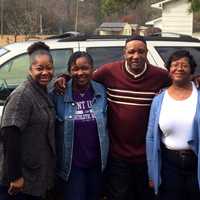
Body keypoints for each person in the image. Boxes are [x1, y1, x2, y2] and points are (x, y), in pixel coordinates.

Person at [54, 35, 170, 200]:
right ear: (124, 53)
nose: (135, 56)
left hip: (147, 156)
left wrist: (196, 78)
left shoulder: (160, 76)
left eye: (141, 52)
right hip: (117, 156)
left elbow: (181, 79)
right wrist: (64, 77)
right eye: (131, 52)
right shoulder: (109, 72)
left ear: (147, 53)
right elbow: (82, 76)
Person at [0, 42, 56, 200]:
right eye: (39, 68)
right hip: (21, 182)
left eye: (49, 68)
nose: (45, 72)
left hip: (35, 175)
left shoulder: (42, 91)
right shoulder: (23, 95)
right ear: (30, 69)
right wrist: (15, 176)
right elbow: (9, 135)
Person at [51, 51, 109, 200]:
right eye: (75, 69)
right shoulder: (59, 93)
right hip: (72, 166)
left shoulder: (101, 91)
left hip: (97, 163)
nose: (80, 73)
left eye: (85, 68)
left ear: (92, 69)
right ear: (69, 71)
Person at [146, 50, 200, 200]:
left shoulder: (198, 94)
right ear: (169, 70)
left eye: (184, 65)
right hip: (169, 163)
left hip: (196, 161)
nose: (179, 68)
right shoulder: (159, 99)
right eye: (175, 65)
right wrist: (152, 172)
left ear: (191, 71)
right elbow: (151, 138)